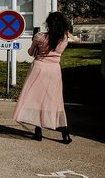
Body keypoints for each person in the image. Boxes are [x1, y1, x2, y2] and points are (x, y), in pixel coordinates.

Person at [13, 12, 72, 144]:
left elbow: (30, 52)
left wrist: (34, 43)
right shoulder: (64, 38)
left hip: (39, 67)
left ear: (48, 23)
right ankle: (65, 134)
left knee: (37, 99)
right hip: (54, 70)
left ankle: (38, 131)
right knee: (55, 100)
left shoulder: (39, 36)